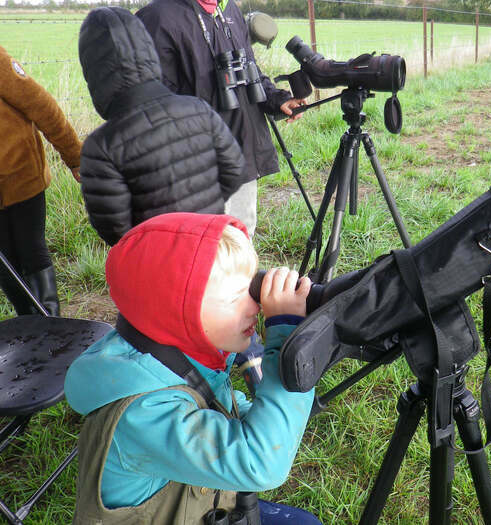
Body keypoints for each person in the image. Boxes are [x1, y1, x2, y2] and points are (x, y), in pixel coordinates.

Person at [64, 212, 322, 524]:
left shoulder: (176, 351)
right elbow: (261, 463)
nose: (257, 305)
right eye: (237, 297)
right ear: (178, 316)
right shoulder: (143, 412)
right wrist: (286, 340)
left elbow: (218, 407)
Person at [78, 7, 246, 247]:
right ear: (148, 52)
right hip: (212, 251)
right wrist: (205, 212)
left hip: (156, 266)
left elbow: (115, 228)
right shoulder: (199, 109)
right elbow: (235, 170)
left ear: (94, 72)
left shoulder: (101, 146)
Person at [136, 0, 306, 237]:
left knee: (240, 236)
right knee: (198, 244)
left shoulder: (230, 9)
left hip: (241, 150)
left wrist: (277, 99)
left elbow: (249, 69)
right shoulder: (157, 17)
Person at [0, 44, 81, 316]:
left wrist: (74, 155)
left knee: (31, 249)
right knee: (5, 261)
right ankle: (29, 323)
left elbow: (41, 105)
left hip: (22, 176)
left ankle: (50, 325)